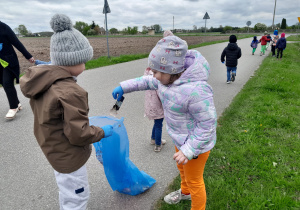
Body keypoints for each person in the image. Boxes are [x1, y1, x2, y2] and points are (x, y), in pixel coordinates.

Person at [112, 34, 217, 210]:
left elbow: (207, 125)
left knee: (195, 180)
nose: (153, 76)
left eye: (156, 72)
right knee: (182, 170)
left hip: (196, 145)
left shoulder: (196, 90)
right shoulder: (165, 80)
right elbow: (145, 81)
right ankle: (185, 193)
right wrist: (124, 86)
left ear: (171, 69)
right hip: (179, 139)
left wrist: (189, 149)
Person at [20, 14, 113, 210]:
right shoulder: (70, 92)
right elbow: (79, 134)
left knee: (67, 192)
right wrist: (103, 132)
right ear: (71, 61)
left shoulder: (44, 82)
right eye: (83, 61)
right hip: (69, 157)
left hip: (54, 148)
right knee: (78, 198)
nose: (85, 65)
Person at [0, 21, 35, 119]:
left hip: (8, 61)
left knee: (7, 83)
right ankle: (17, 102)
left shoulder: (3, 27)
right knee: (3, 82)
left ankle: (13, 107)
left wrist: (28, 56)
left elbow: (16, 42)